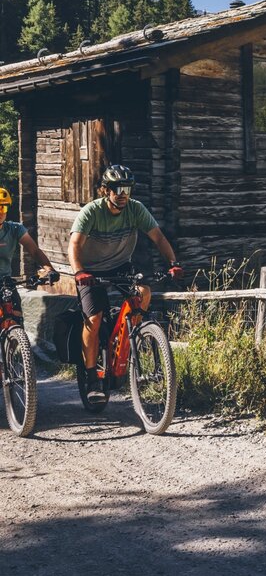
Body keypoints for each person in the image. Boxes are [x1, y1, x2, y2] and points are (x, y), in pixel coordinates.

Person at [68, 165, 182, 403]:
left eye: (127, 189)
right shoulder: (91, 212)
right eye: (117, 189)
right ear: (105, 190)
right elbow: (75, 245)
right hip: (90, 271)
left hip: (120, 265)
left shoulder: (135, 209)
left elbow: (158, 237)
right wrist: (79, 272)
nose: (122, 194)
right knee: (94, 319)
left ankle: (132, 339)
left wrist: (173, 263)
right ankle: (92, 377)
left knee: (143, 292)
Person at [0, 186, 60, 314]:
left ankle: (15, 327)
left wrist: (49, 269)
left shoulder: (14, 229)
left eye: (3, 208)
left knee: (16, 316)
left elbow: (35, 251)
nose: (0, 212)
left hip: (5, 284)